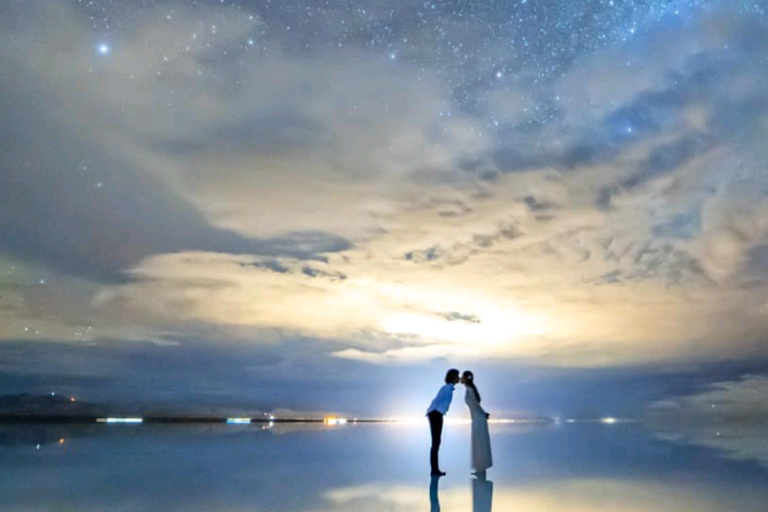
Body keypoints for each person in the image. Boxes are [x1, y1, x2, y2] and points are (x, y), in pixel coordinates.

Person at [426, 368, 460, 476]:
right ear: (453, 377)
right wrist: (438, 413)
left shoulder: (448, 388)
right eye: (457, 376)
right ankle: (434, 470)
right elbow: (438, 401)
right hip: (436, 414)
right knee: (436, 442)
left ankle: (435, 469)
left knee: (436, 442)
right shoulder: (447, 388)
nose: (458, 378)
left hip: (436, 414)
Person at [462, 370, 492, 475]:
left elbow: (475, 405)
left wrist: (483, 414)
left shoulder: (469, 390)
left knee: (479, 443)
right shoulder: (470, 389)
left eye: (463, 377)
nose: (461, 378)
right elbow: (476, 405)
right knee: (479, 443)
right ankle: (480, 468)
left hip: (478, 420)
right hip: (477, 418)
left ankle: (481, 468)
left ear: (466, 379)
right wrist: (483, 413)